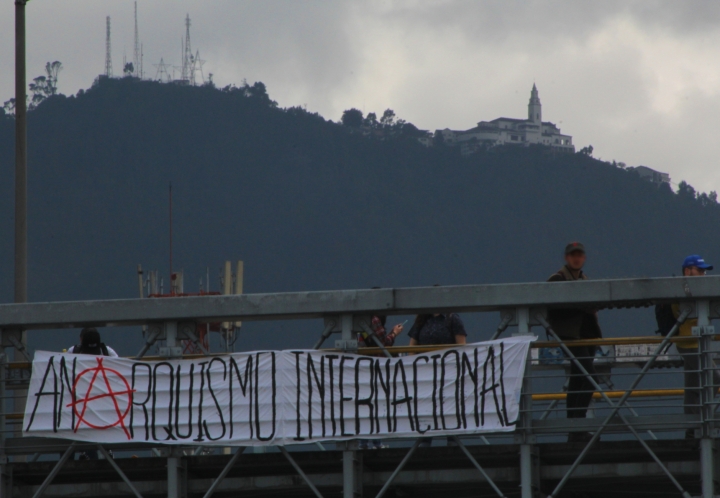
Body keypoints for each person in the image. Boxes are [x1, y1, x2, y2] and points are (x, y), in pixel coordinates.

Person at [546, 242, 602, 443]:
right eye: (572, 255)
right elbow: (552, 310)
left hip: (587, 336)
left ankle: (575, 429)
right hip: (571, 335)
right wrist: (581, 307)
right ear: (566, 258)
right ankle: (577, 426)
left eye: (579, 255)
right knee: (588, 376)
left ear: (583, 258)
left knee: (579, 378)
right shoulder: (556, 279)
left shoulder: (585, 279)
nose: (576, 258)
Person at [665, 255, 720, 437]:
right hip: (691, 342)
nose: (704, 274)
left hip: (688, 343)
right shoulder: (685, 291)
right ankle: (699, 420)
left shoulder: (686, 290)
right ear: (688, 271)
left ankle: (690, 426)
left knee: (692, 384)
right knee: (712, 378)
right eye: (700, 270)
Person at [408, 311, 467, 447]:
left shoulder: (452, 318)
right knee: (427, 405)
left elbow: (462, 346)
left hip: (448, 373)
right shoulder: (422, 320)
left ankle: (452, 439)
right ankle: (426, 439)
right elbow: (411, 348)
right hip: (425, 374)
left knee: (449, 403)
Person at [68, 328, 117, 460]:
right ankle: (86, 455)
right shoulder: (74, 351)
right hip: (81, 399)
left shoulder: (107, 351)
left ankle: (97, 454)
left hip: (100, 399)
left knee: (95, 428)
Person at [358, 315, 404, 450]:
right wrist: (394, 333)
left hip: (363, 367)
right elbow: (383, 343)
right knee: (375, 406)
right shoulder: (375, 318)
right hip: (374, 366)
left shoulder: (364, 318)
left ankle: (364, 443)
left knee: (366, 407)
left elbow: (377, 340)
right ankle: (376, 444)